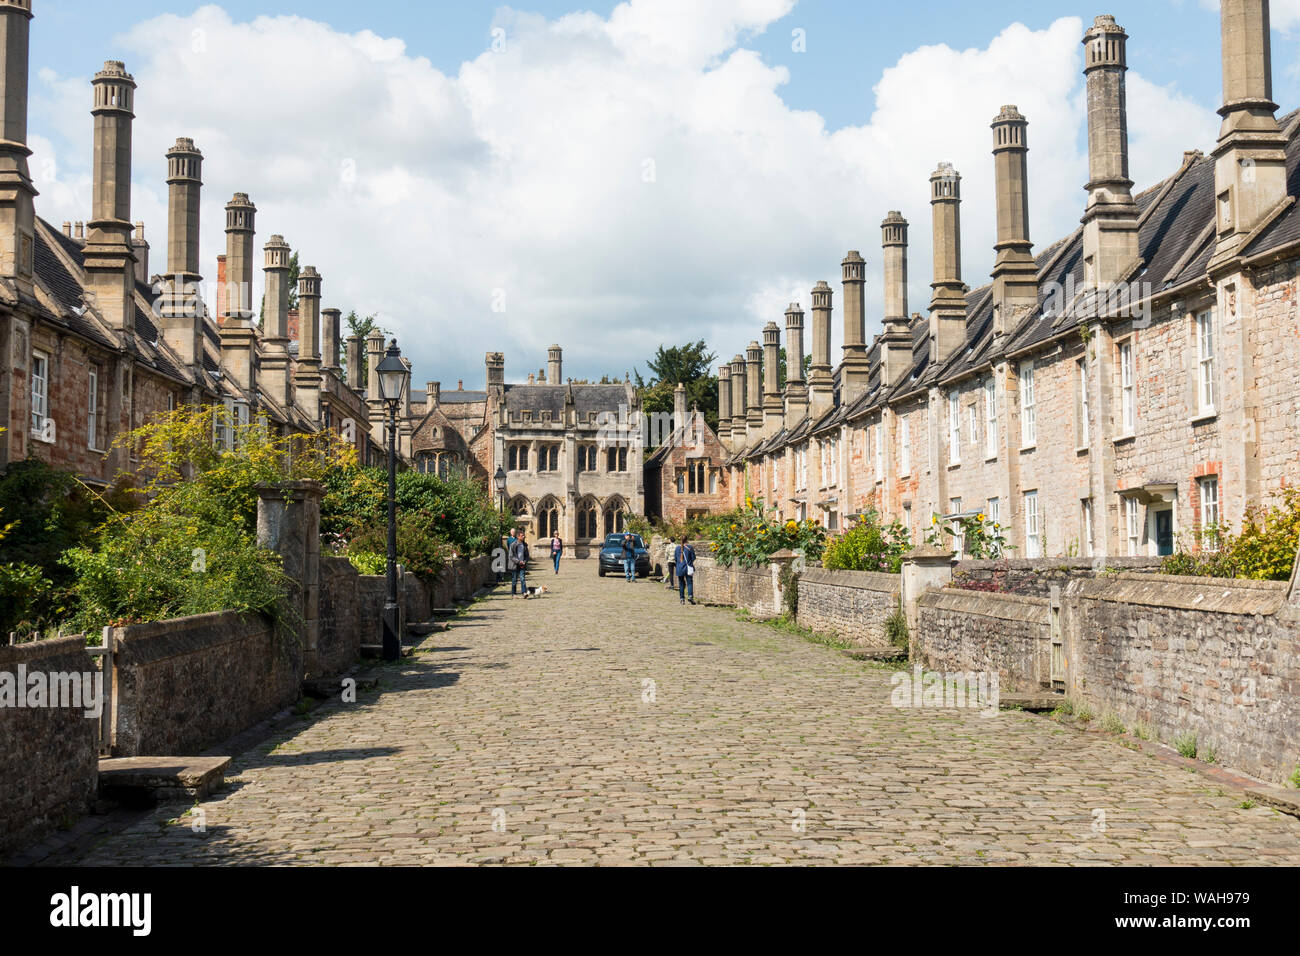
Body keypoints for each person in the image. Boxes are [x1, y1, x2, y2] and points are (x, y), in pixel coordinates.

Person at [674, 536, 697, 605]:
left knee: (681, 584)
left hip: (679, 568)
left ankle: (682, 599)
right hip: (687, 568)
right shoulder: (689, 548)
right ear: (687, 540)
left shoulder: (677, 548)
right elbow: (693, 558)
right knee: (689, 583)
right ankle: (690, 596)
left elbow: (675, 558)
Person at [510, 530, 530, 598]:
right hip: (515, 565)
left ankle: (524, 592)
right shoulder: (513, 545)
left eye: (524, 535)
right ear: (518, 537)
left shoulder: (525, 545)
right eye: (522, 536)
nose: (524, 536)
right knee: (514, 580)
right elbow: (511, 556)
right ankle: (514, 594)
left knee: (522, 579)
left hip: (522, 565)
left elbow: (527, 555)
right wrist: (518, 561)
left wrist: (525, 561)